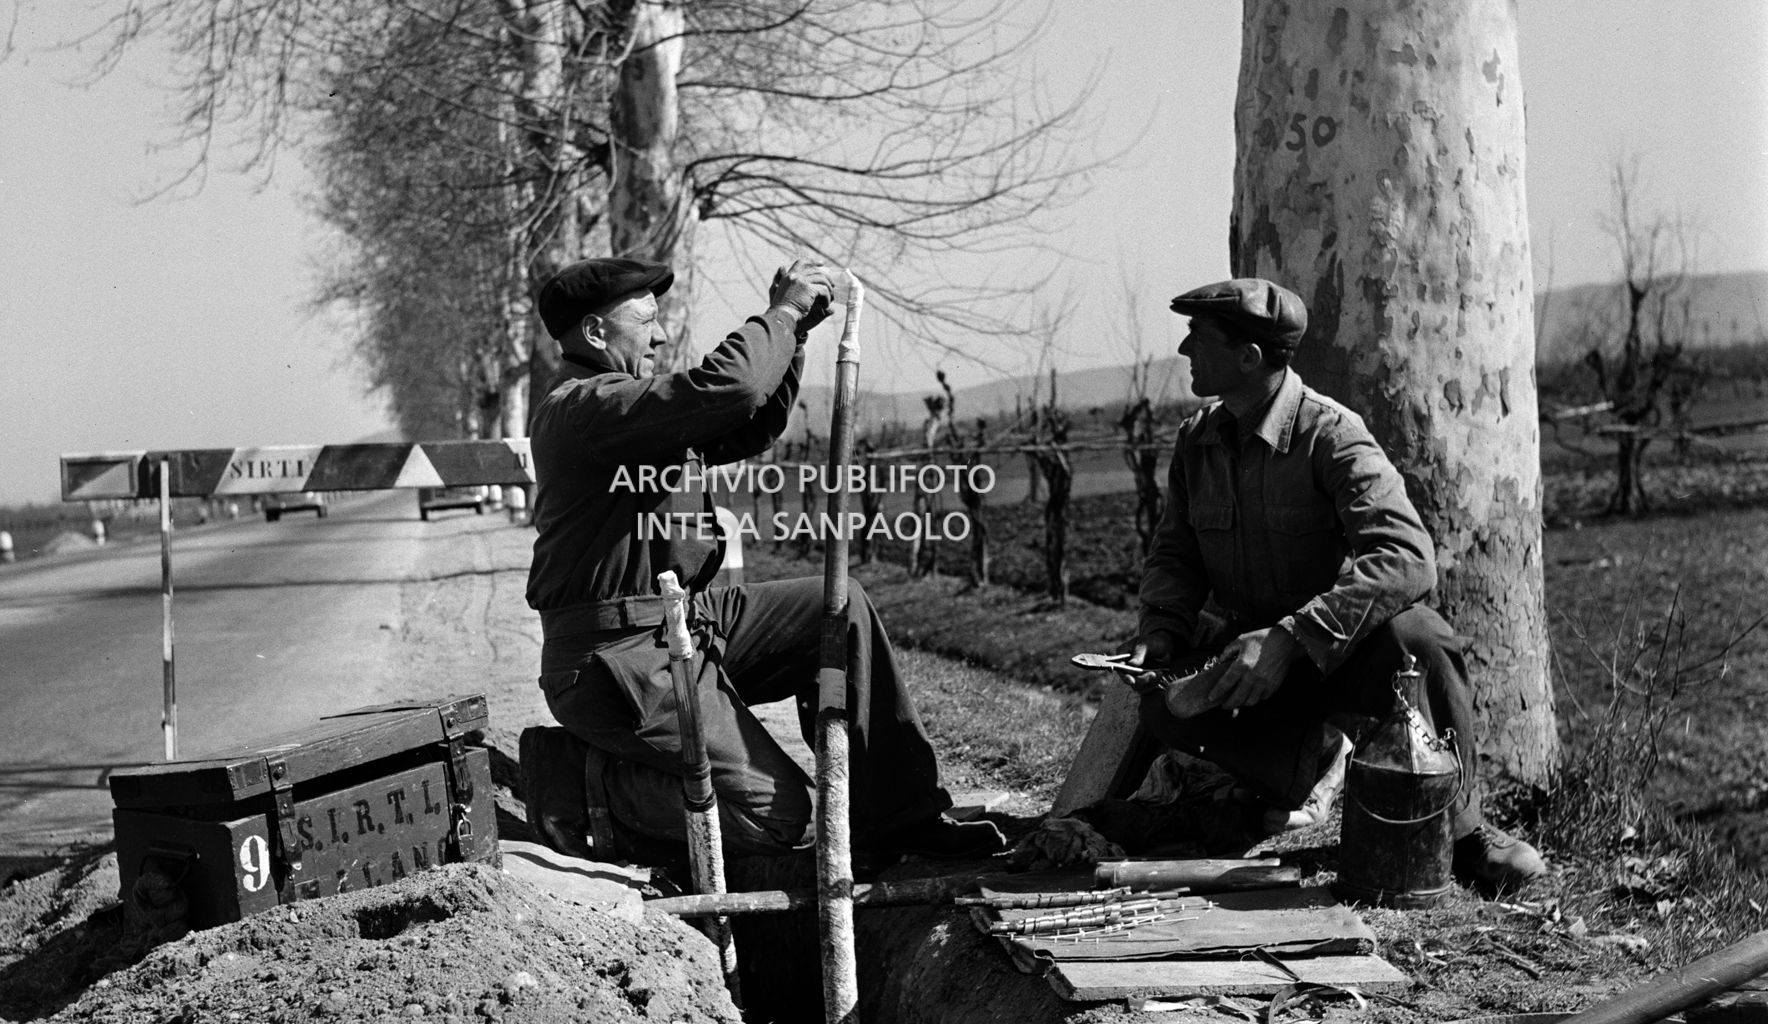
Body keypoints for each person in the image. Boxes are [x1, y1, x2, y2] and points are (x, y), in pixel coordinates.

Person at [524, 254, 1003, 868]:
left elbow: (748, 422)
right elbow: (732, 387)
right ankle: (580, 778)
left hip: (678, 623)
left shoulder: (628, 409)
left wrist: (794, 337)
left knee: (835, 607)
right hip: (612, 657)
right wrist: (780, 314)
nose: (662, 335)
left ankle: (899, 821)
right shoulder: (586, 408)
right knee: (780, 818)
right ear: (594, 334)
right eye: (646, 322)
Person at [1121, 277, 1544, 894]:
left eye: (1198, 337)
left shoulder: (1332, 435)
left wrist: (1295, 636)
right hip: (1247, 660)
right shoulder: (1196, 443)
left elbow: (1407, 557)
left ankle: (1461, 829)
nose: (1185, 350)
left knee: (1419, 637)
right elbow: (1176, 554)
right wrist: (1160, 629)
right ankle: (1288, 777)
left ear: (1249, 358)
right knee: (1161, 697)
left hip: (1334, 653)